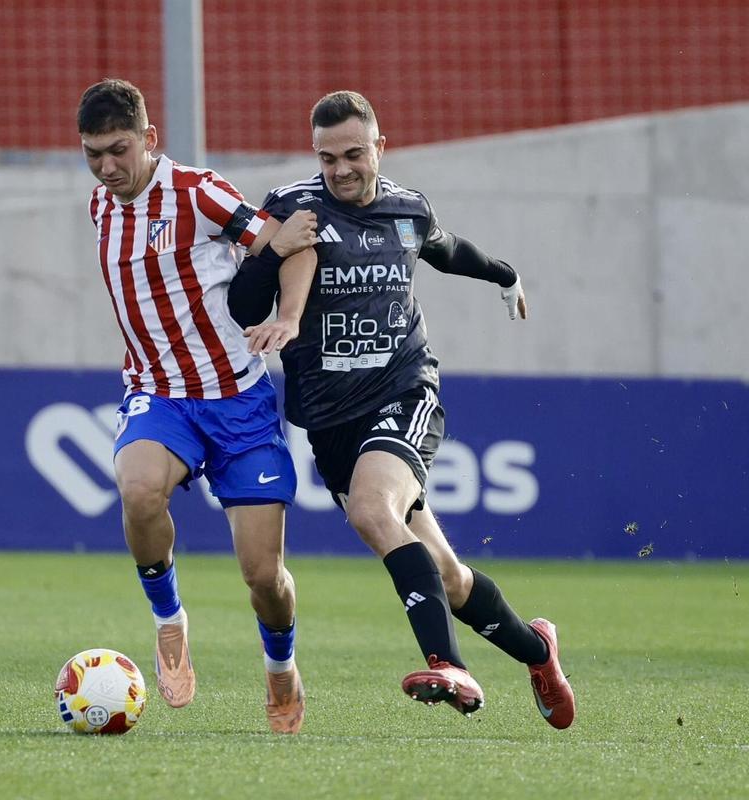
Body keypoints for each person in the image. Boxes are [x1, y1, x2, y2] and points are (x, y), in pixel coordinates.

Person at [228, 90, 576, 729]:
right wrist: (274, 251)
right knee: (446, 576)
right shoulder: (290, 208)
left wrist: (504, 275)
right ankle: (537, 649)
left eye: (354, 154)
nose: (341, 170)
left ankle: (447, 663)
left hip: (404, 392)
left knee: (370, 509)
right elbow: (243, 307)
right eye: (327, 157)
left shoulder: (407, 209)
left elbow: (448, 250)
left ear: (379, 148)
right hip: (331, 423)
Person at [77, 78, 318, 734]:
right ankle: (169, 622)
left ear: (149, 139)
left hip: (239, 402)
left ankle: (280, 669)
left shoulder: (197, 193)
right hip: (159, 396)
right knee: (138, 490)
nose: (106, 167)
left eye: (118, 150)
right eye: (93, 154)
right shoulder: (102, 206)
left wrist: (289, 318)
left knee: (264, 578)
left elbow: (292, 245)